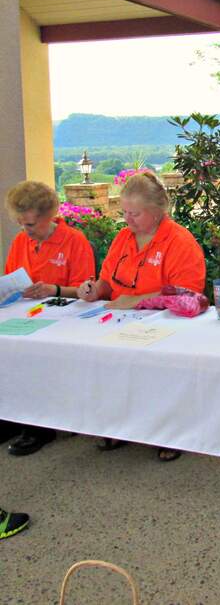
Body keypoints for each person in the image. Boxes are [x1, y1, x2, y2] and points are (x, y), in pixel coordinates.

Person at [77, 171, 206, 461]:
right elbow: (107, 281)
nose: (127, 220)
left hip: (167, 326)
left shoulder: (179, 242)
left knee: (157, 367)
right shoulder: (123, 238)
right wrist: (93, 289)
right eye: (124, 212)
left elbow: (188, 297)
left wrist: (136, 301)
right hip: (119, 322)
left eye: (134, 213)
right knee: (105, 362)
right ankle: (120, 426)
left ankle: (169, 432)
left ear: (158, 212)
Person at [4, 181, 95, 456]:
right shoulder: (21, 241)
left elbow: (87, 289)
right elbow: (10, 279)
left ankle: (38, 426)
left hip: (65, 317)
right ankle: (8, 416)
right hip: (26, 313)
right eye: (22, 224)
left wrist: (52, 289)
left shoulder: (74, 241)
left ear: (48, 217)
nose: (25, 230)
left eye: (30, 224)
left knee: (34, 353)